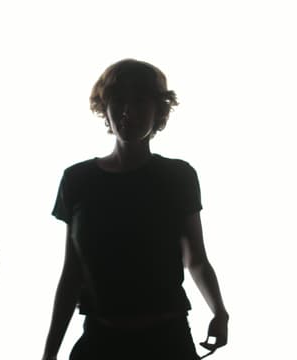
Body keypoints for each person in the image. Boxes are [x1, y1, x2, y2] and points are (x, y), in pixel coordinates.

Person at [41, 59, 229, 360]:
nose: (128, 111)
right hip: (101, 342)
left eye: (140, 101)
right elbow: (72, 272)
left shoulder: (178, 177)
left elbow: (196, 258)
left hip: (167, 342)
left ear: (158, 111)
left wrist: (220, 311)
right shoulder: (78, 179)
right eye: (118, 101)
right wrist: (49, 354)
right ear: (106, 109)